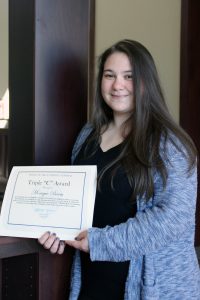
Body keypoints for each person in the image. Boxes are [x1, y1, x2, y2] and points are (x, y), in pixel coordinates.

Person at [38, 39, 200, 299]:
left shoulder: (168, 143)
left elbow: (173, 219)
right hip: (92, 283)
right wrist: (55, 231)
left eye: (129, 76)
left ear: (147, 82)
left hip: (150, 289)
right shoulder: (88, 135)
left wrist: (101, 243)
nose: (118, 85)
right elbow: (73, 203)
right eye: (109, 75)